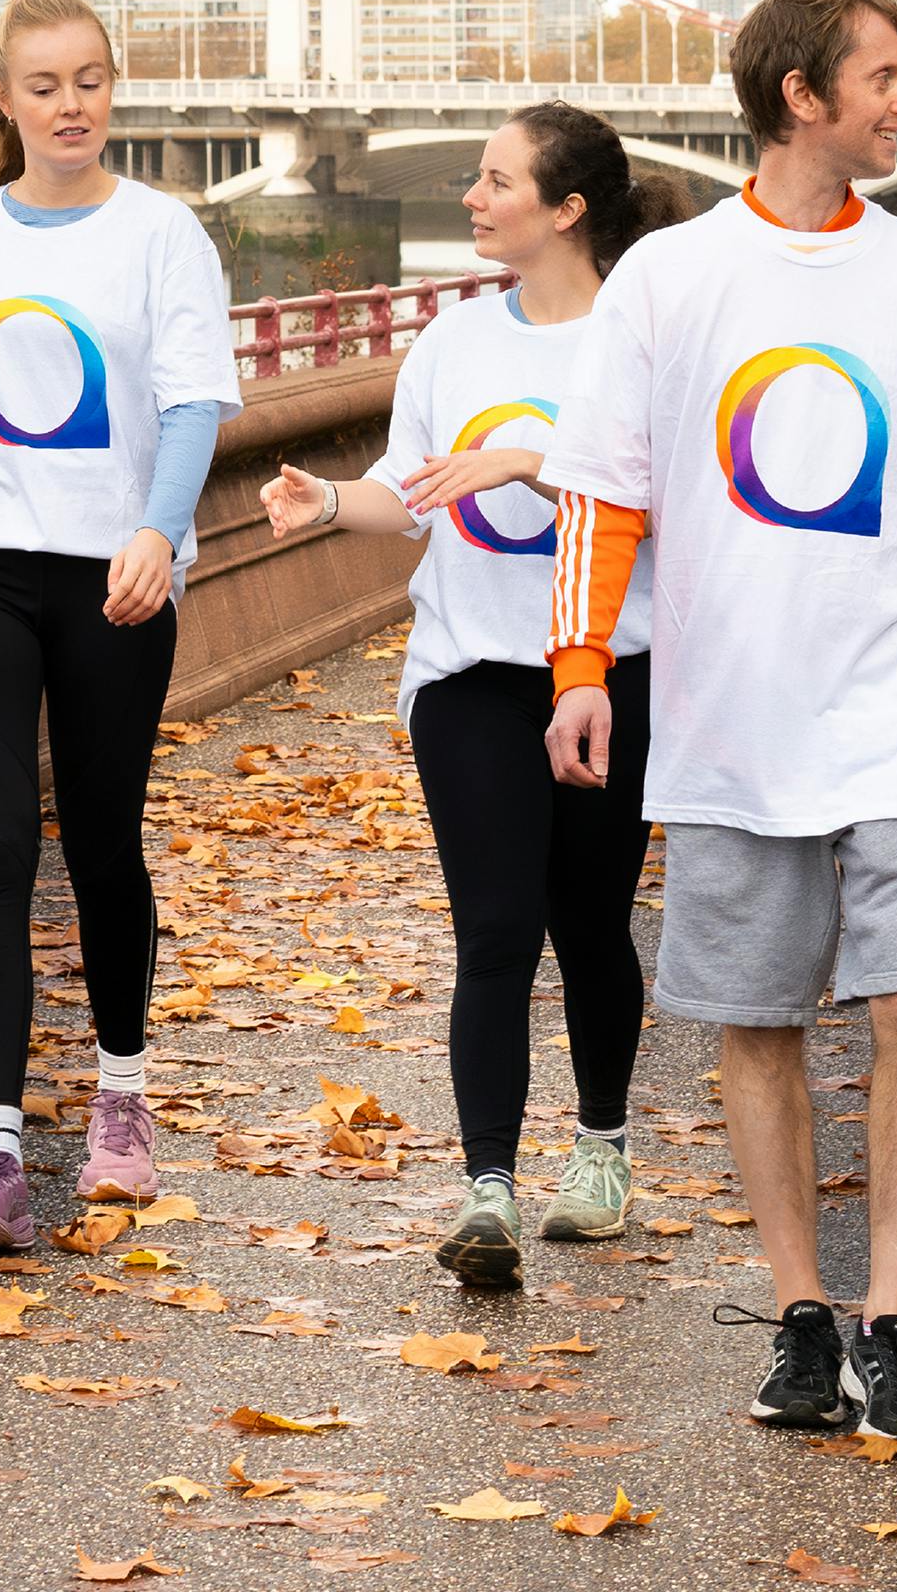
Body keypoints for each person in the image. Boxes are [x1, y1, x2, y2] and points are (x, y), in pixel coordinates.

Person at [537, 0, 897, 1452]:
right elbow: (599, 489)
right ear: (801, 98)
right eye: (885, 78)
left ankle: (894, 1324)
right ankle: (799, 1316)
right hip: (730, 721)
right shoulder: (672, 278)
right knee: (755, 1016)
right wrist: (580, 674)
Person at [260, 104, 684, 1287]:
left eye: (496, 181)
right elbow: (415, 486)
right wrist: (332, 501)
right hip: (467, 673)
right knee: (494, 928)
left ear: (566, 209)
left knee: (590, 921)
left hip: (608, 668)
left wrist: (524, 459)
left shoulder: (638, 336)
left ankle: (600, 1147)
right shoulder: (453, 338)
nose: (472, 197)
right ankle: (486, 1187)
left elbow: (658, 492)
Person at [0, 0, 241, 1248]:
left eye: (89, 80)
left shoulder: (162, 233)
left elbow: (193, 404)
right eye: (45, 85)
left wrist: (155, 529)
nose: (70, 104)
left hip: (112, 577)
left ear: (111, 87)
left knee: (101, 838)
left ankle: (121, 1106)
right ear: (4, 98)